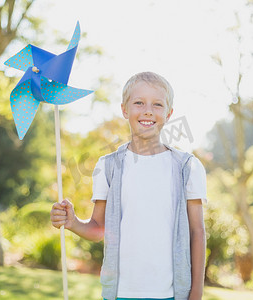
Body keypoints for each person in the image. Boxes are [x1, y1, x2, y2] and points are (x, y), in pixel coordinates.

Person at [51, 71, 207, 300]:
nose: (147, 110)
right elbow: (99, 228)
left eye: (157, 104)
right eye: (138, 103)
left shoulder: (187, 167)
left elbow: (197, 232)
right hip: (120, 293)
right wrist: (72, 222)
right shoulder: (108, 166)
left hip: (172, 294)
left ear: (169, 113)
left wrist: (196, 293)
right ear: (124, 109)